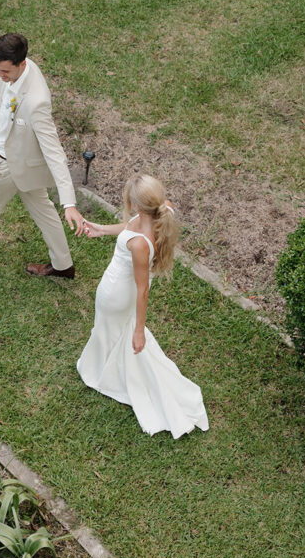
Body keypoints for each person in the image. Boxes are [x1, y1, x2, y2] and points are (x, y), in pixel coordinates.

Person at [77, 175, 209, 438]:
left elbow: (142, 290)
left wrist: (139, 330)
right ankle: (107, 365)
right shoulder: (161, 209)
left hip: (117, 294)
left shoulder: (139, 244)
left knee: (110, 331)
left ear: (138, 205)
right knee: (112, 332)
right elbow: (129, 226)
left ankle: (105, 373)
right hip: (117, 289)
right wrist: (101, 229)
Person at [0, 33, 85, 277]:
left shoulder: (37, 103)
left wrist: (70, 203)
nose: (1, 77)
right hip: (26, 164)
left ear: (22, 63)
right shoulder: (13, 73)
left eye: (5, 72)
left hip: (11, 164)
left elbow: (55, 153)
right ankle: (64, 265)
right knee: (43, 211)